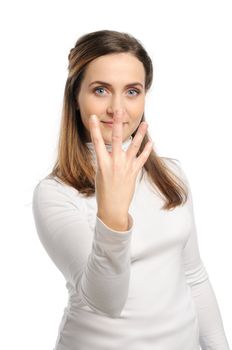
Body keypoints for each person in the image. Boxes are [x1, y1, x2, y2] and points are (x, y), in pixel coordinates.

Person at [32, 30, 230, 350]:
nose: (117, 109)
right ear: (75, 97)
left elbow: (193, 277)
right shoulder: (56, 193)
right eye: (100, 90)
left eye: (132, 91)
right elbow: (105, 301)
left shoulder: (171, 175)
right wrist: (113, 213)